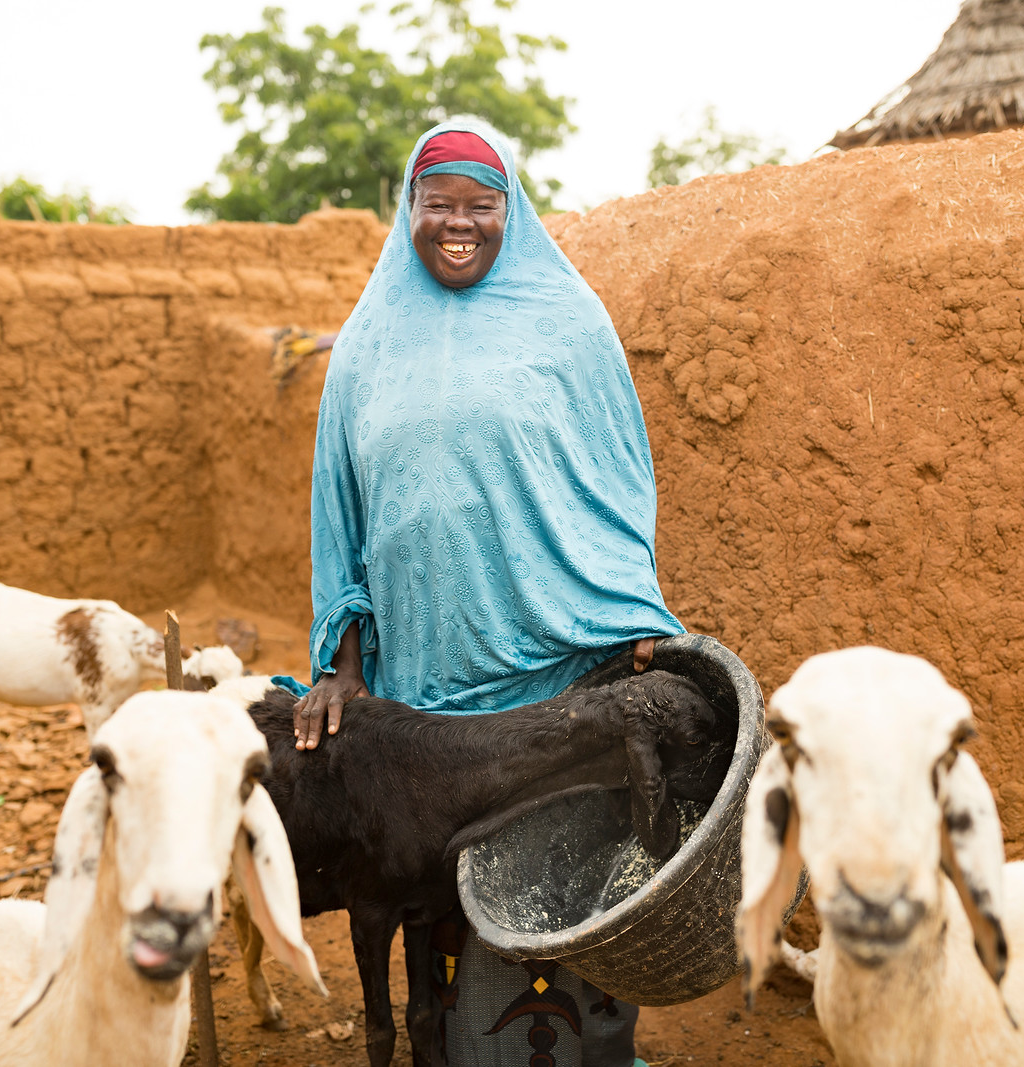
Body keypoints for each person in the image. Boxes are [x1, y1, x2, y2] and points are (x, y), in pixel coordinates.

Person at [293, 119, 683, 1067]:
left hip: (552, 662)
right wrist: (342, 666)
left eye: (481, 206)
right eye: (440, 206)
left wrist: (628, 613)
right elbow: (340, 514)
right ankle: (459, 1040)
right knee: (439, 875)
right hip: (424, 670)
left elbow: (617, 481)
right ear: (409, 213)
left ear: (512, 211)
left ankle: (580, 1038)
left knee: (564, 869)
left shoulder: (568, 324)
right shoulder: (367, 346)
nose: (459, 225)